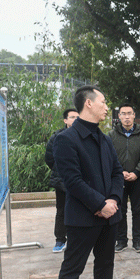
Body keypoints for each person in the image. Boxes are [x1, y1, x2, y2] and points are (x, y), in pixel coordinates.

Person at [52, 85, 133, 279]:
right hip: (83, 217)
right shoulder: (66, 139)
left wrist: (114, 200)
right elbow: (72, 181)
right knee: (71, 270)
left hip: (110, 215)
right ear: (88, 104)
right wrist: (99, 203)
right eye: (103, 101)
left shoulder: (105, 138)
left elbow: (116, 172)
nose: (107, 107)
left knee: (105, 263)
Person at [109, 103, 140, 253]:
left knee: (138, 210)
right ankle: (121, 241)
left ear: (134, 115)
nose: (127, 117)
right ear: (119, 116)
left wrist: (137, 172)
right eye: (123, 114)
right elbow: (109, 157)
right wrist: (120, 172)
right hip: (118, 179)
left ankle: (138, 241)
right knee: (119, 210)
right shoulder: (111, 135)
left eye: (129, 113)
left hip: (137, 179)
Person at [45, 108, 79, 253]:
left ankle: (76, 239)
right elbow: (49, 158)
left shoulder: (83, 136)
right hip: (62, 181)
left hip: (79, 181)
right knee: (62, 210)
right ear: (65, 120)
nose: (75, 120)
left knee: (79, 210)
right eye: (72, 117)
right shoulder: (57, 136)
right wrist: (61, 171)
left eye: (78, 117)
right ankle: (60, 240)